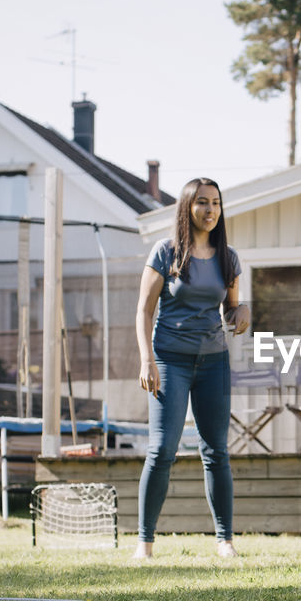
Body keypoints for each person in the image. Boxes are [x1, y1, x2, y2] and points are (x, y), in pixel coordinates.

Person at [133, 177, 250, 560]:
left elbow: (230, 309)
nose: (210, 210)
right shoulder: (165, 253)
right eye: (202, 202)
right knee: (162, 449)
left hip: (213, 361)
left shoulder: (227, 257)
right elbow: (144, 311)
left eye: (216, 202)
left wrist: (242, 310)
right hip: (169, 360)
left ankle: (224, 540)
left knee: (216, 451)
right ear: (187, 207)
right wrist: (146, 358)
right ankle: (145, 544)